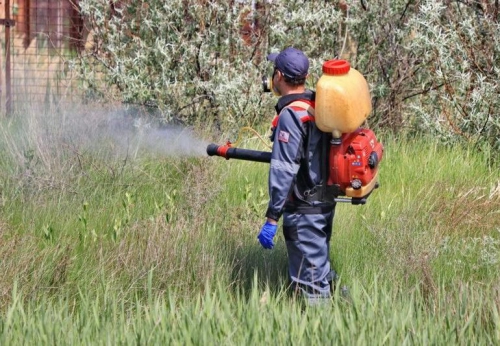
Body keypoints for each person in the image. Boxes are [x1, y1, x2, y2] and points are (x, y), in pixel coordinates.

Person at [257, 47, 337, 304]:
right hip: (324, 202)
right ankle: (344, 314)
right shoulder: (316, 105)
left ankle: (323, 331)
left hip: (304, 209)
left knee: (311, 284)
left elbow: (284, 170)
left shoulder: (291, 115)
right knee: (319, 271)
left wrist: (272, 218)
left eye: (273, 73)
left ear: (279, 76)